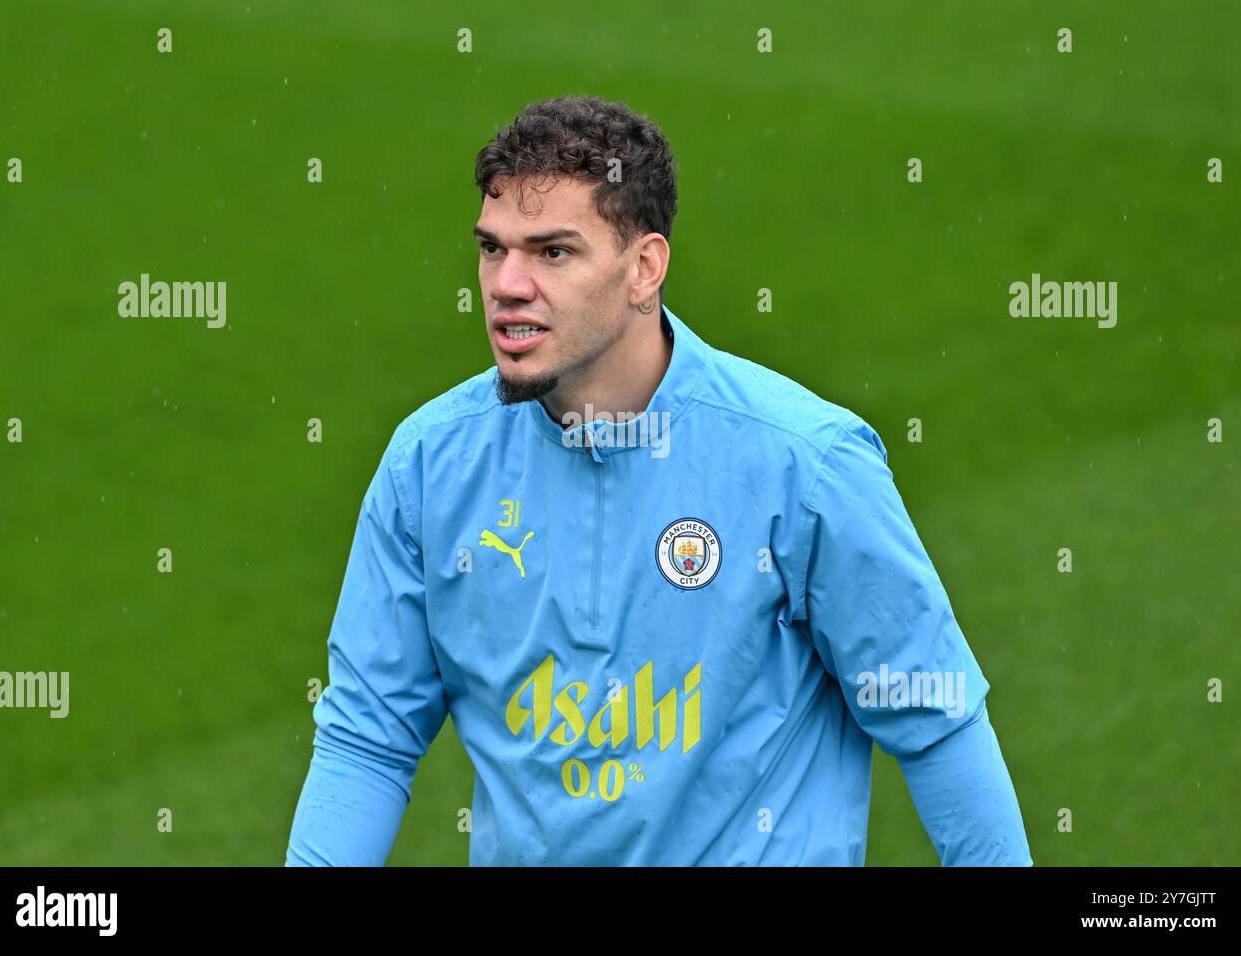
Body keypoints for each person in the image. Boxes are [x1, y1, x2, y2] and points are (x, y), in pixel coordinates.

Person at [286, 95, 1032, 866]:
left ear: (644, 267)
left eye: (552, 253)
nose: (507, 284)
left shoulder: (804, 462)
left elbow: (936, 724)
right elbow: (368, 739)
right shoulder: (429, 465)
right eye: (492, 248)